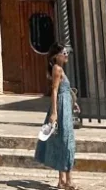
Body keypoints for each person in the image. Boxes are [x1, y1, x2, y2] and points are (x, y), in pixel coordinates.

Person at [34, 43, 77, 189]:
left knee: (64, 141)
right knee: (65, 142)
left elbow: (66, 89)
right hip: (60, 108)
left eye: (66, 53)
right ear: (56, 56)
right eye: (63, 53)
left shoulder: (60, 69)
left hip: (65, 106)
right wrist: (54, 112)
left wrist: (74, 102)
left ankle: (64, 180)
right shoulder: (57, 69)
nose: (66, 55)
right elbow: (54, 90)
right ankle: (66, 180)